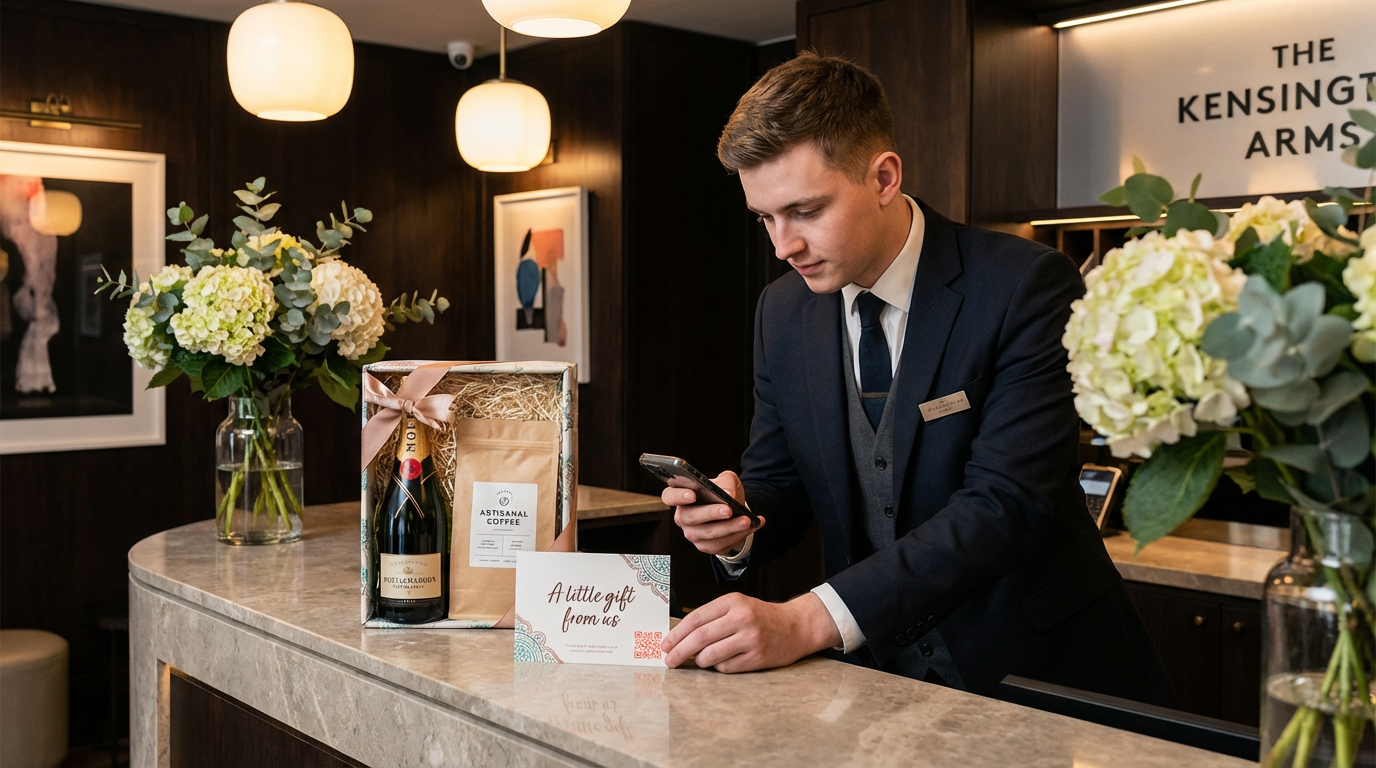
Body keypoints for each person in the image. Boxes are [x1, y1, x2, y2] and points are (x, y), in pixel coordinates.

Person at [659, 51, 1172, 704]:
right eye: (764, 217)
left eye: (805, 211)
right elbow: (779, 485)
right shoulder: (782, 312)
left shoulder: (1025, 285)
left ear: (883, 178)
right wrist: (738, 522)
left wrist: (807, 619)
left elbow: (1004, 506)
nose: (782, 245)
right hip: (879, 684)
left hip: (1042, 676)